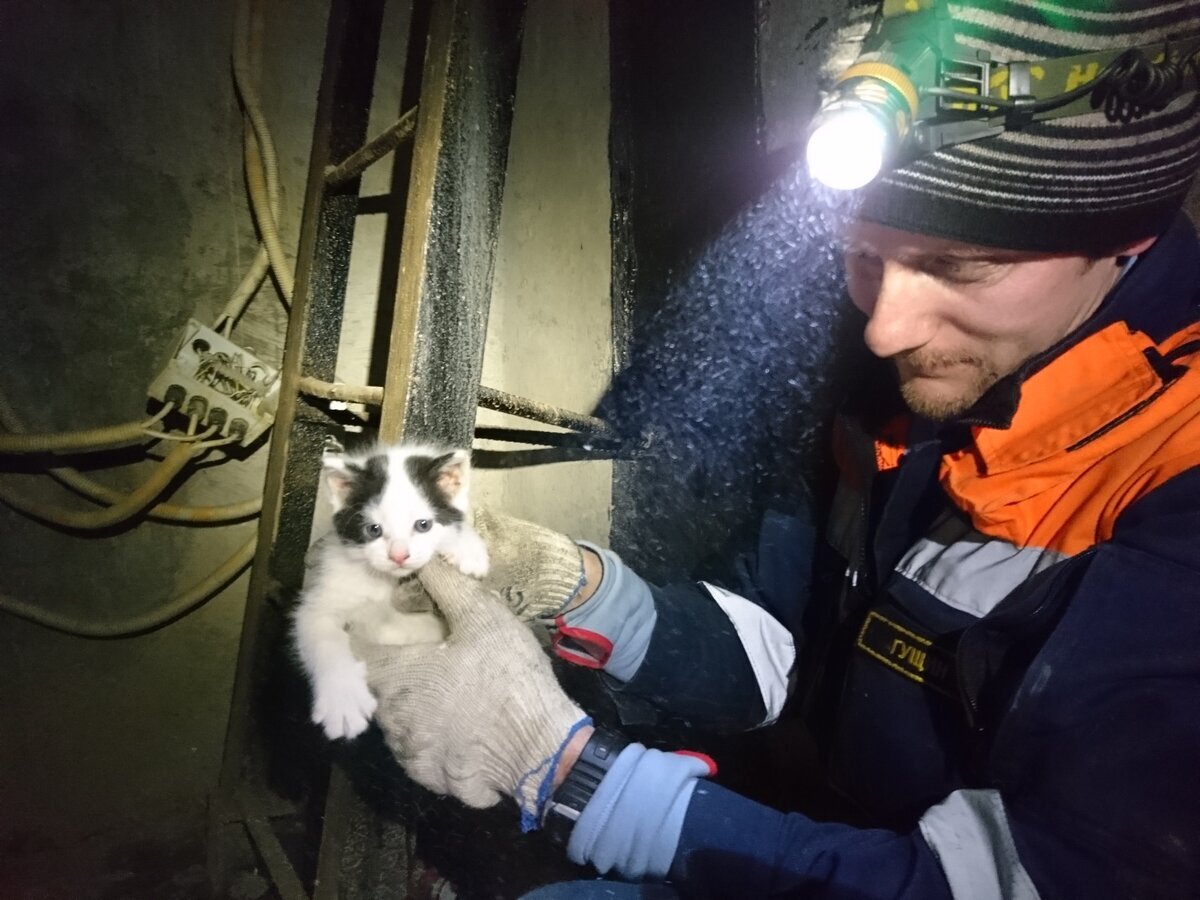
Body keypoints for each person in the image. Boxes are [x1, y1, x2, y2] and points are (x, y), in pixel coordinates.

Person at [356, 1, 1200, 896]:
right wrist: (583, 589)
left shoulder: (1176, 507)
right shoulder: (916, 389)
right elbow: (779, 653)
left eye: (961, 266)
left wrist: (566, 774)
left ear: (1126, 236)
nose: (885, 326)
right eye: (863, 252)